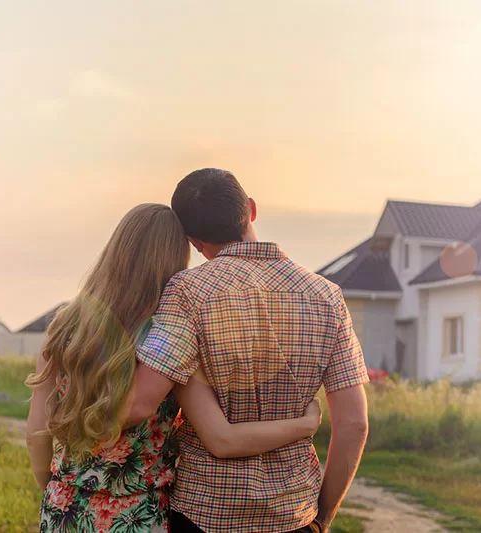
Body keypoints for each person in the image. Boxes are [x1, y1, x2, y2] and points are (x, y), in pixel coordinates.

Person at [26, 203, 323, 533]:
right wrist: (305, 424)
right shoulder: (167, 341)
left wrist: (58, 493)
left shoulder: (64, 330)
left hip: (62, 507)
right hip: (137, 515)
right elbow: (223, 437)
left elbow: (34, 434)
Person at [125, 169, 370, 533]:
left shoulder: (187, 292)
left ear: (193, 241)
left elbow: (143, 400)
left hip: (204, 513)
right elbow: (354, 423)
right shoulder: (326, 296)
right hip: (294, 514)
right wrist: (323, 518)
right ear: (251, 209)